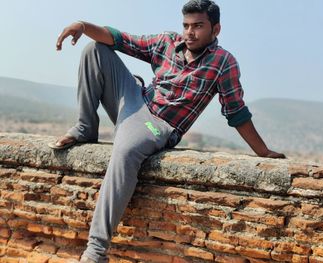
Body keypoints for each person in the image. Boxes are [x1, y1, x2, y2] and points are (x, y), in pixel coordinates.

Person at [50, 0, 286, 262]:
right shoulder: (167, 42)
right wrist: (82, 25)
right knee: (95, 49)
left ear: (215, 29)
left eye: (198, 26)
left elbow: (236, 112)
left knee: (125, 151)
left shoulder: (223, 63)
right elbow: (119, 39)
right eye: (186, 25)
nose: (190, 32)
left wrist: (262, 151)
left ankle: (95, 252)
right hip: (135, 99)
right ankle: (85, 127)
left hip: (157, 124)